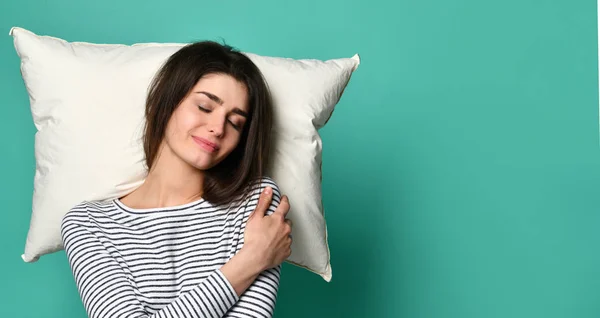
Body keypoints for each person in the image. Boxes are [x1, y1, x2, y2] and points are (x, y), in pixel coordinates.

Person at [60, 40, 293, 318]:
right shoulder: (89, 223)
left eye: (235, 123)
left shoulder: (256, 202)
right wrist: (250, 261)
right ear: (165, 102)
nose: (218, 128)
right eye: (205, 107)